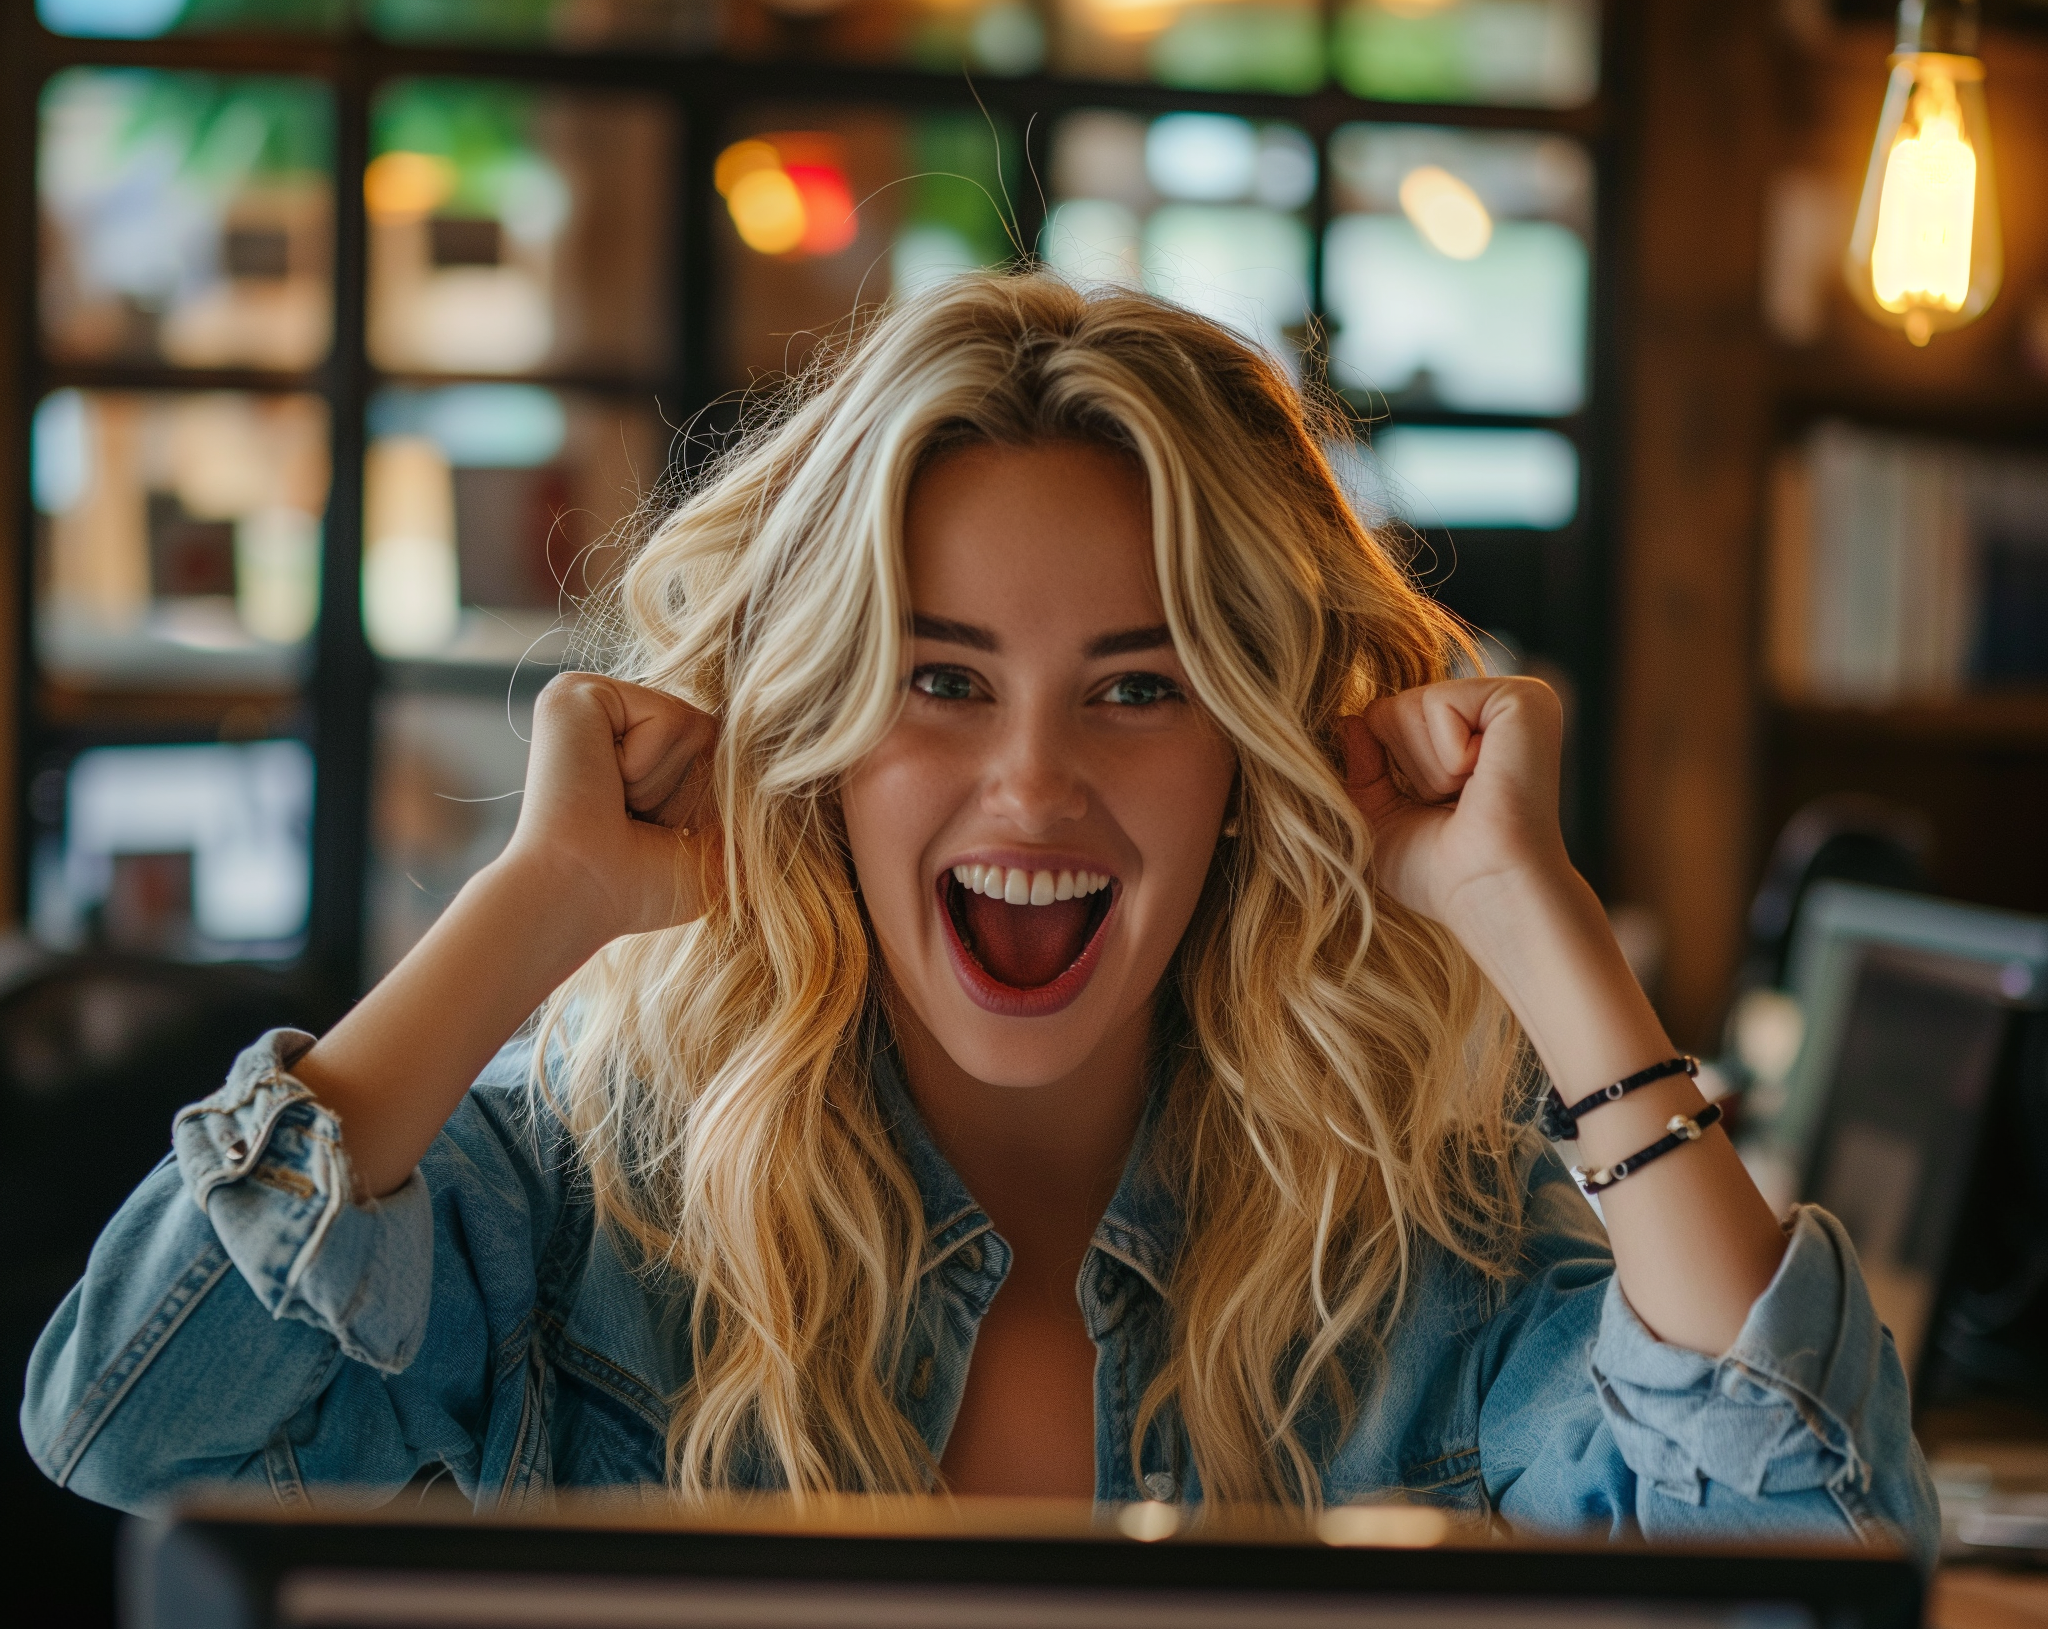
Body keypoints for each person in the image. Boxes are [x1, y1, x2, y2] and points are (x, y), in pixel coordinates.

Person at [21, 273, 1937, 1560]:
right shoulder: (576, 1207)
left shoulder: (1423, 1247)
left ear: (1259, 754)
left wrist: (1537, 922)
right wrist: (541, 905)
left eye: (1141, 685)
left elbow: (1822, 1547)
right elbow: (129, 1420)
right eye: (938, 682)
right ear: (817, 735)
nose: (1034, 789)